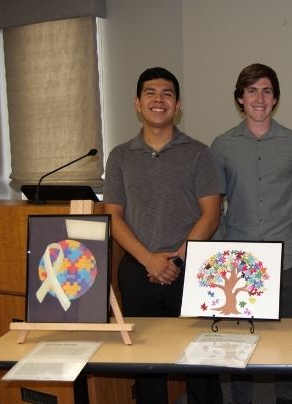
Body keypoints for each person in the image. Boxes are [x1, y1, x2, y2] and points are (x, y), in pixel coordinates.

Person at [103, 67, 224, 404]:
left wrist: (175, 259)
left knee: (201, 359)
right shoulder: (120, 156)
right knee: (146, 364)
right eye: (150, 93)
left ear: (178, 104)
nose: (159, 99)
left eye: (167, 93)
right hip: (138, 270)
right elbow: (113, 216)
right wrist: (149, 259)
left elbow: (211, 214)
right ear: (138, 103)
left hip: (192, 269)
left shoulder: (199, 153)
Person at [210, 63, 292, 404]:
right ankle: (242, 399)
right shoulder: (222, 145)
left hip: (285, 258)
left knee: (284, 337)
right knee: (241, 341)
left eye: (267, 90)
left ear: (276, 98)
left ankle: (287, 398)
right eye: (252, 90)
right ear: (240, 98)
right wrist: (214, 260)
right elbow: (214, 208)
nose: (260, 97)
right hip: (238, 264)